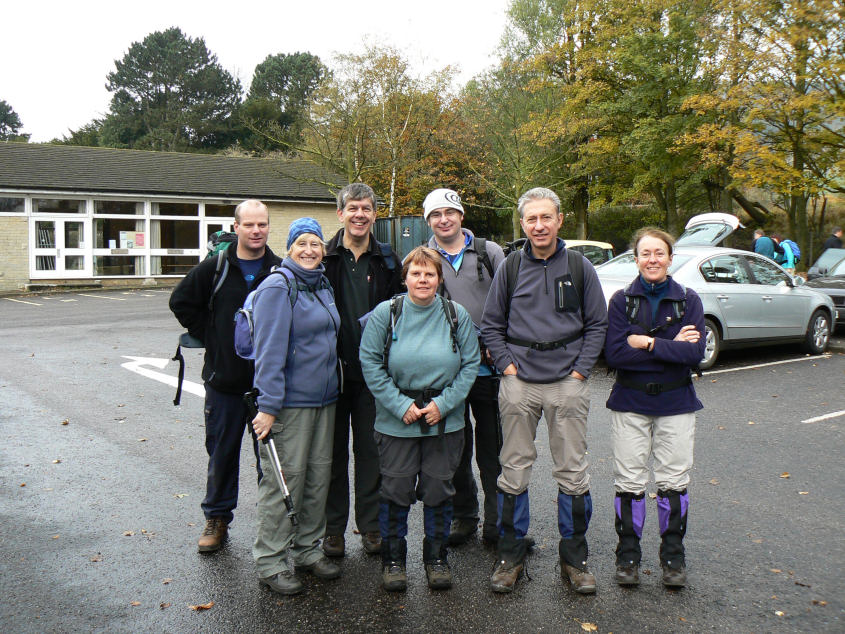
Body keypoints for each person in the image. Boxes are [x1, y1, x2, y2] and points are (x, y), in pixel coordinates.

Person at [481, 187, 608, 595]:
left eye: (545, 217)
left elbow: (597, 326)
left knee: (572, 472)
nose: (539, 225)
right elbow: (491, 324)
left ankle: (575, 560)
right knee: (513, 470)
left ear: (560, 220)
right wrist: (508, 367)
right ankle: (510, 556)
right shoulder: (512, 266)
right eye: (531, 219)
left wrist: (579, 373)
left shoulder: (580, 266)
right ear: (522, 224)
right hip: (520, 383)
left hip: (566, 384)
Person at [359, 246, 480, 591]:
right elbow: (370, 362)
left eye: (430, 274)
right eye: (416, 273)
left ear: (440, 278)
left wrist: (444, 404)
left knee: (439, 489)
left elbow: (470, 364)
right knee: (395, 489)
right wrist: (400, 406)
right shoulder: (387, 312)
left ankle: (436, 559)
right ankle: (394, 560)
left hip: (444, 420)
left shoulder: (456, 315)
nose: (423, 279)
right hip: (398, 421)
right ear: (405, 277)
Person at [169, 199, 280, 553]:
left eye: (262, 224)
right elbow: (181, 302)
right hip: (225, 384)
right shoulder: (215, 268)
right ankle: (217, 519)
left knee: (271, 460)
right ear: (236, 228)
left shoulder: (279, 269)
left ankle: (273, 524)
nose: (256, 230)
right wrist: (214, 335)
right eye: (249, 225)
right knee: (222, 454)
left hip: (268, 387)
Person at [603, 227, 705, 589]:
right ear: (636, 259)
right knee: (629, 483)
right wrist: (669, 345)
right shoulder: (620, 300)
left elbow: (693, 355)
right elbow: (613, 354)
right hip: (630, 402)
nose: (652, 260)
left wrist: (645, 343)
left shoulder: (689, 300)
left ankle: (673, 558)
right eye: (645, 253)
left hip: (676, 402)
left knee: (673, 483)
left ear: (670, 258)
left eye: (659, 253)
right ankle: (627, 557)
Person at [250, 218, 341, 595]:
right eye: (301, 243)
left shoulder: (321, 283)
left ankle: (307, 550)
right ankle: (270, 561)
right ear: (289, 248)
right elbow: (268, 353)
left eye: (315, 243)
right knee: (284, 481)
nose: (309, 250)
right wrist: (268, 406)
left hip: (325, 402)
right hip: (289, 405)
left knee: (317, 480)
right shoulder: (278, 286)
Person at [322, 183, 403, 558]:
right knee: (332, 454)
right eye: (352, 208)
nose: (359, 215)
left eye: (366, 209)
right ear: (340, 214)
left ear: (374, 214)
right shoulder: (323, 257)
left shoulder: (387, 259)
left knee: (372, 453)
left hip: (374, 375)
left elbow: (401, 313)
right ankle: (333, 529)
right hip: (331, 374)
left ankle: (371, 527)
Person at [423, 188, 506, 546]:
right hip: (448, 373)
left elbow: (510, 301)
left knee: (494, 450)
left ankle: (497, 521)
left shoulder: (490, 252)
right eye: (436, 214)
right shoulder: (423, 257)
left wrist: (497, 346)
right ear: (428, 220)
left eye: (450, 212)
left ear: (461, 215)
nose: (444, 219)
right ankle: (465, 516)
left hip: (489, 369)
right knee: (455, 451)